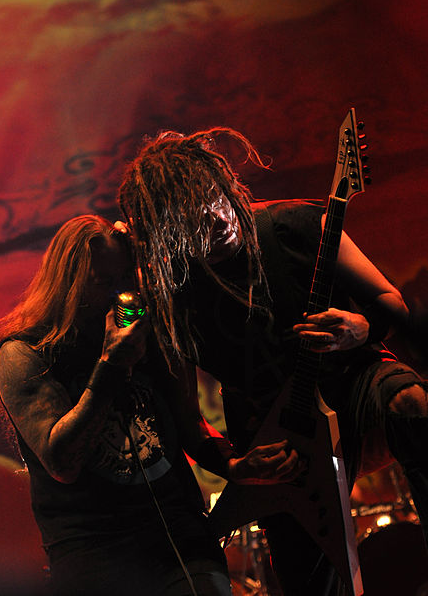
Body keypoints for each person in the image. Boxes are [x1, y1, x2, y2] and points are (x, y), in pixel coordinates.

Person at [116, 127, 428, 595]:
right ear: (167, 232)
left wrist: (357, 327)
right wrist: (233, 465)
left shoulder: (299, 225)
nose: (213, 215)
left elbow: (391, 303)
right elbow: (186, 417)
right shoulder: (171, 295)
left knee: (411, 400)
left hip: (353, 387)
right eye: (190, 216)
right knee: (307, 581)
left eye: (212, 196)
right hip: (274, 434)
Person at [0, 214, 302, 596]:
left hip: (180, 537)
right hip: (94, 553)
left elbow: (189, 423)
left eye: (123, 279)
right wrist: (111, 366)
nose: (116, 293)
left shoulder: (150, 329)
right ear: (67, 281)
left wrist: (233, 464)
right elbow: (62, 461)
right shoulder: (26, 351)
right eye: (102, 282)